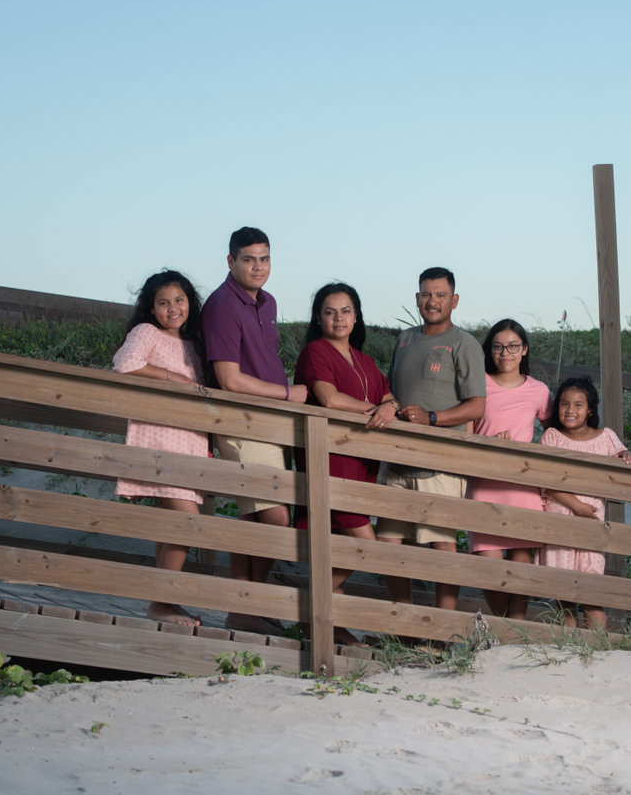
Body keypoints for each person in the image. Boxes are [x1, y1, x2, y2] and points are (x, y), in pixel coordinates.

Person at [201, 226, 308, 635]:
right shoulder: (222, 305)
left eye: (264, 258)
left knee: (254, 518)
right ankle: (249, 605)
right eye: (248, 259)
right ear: (231, 261)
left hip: (269, 423)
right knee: (276, 518)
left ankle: (244, 607)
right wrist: (286, 393)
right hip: (241, 423)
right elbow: (228, 378)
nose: (257, 266)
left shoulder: (268, 303)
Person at [374, 266, 486, 610]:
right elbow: (390, 388)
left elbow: (477, 406)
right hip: (396, 460)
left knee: (441, 546)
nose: (432, 301)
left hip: (440, 464)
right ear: (417, 297)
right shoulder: (405, 339)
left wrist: (432, 418)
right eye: (425, 294)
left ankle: (444, 629)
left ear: (454, 300)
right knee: (391, 543)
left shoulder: (464, 344)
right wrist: (389, 404)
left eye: (440, 295)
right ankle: (404, 624)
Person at [293, 282, 397, 646]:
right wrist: (376, 410)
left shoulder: (364, 359)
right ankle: (311, 613)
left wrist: (389, 406)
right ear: (318, 318)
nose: (339, 318)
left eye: (346, 310)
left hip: (361, 463)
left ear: (357, 316)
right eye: (330, 311)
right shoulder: (315, 352)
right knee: (365, 544)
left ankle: (324, 622)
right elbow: (329, 399)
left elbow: (388, 396)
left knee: (340, 546)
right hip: (331, 460)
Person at [112, 269, 209, 628]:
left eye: (179, 300)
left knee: (172, 526)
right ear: (151, 309)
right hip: (160, 440)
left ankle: (166, 603)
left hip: (190, 441)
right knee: (187, 524)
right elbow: (124, 364)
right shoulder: (146, 332)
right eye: (163, 303)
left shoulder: (193, 344)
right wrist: (174, 379)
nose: (172, 309)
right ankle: (161, 603)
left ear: (190, 303)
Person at [465, 319, 553, 621]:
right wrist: (488, 443)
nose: (506, 353)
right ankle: (510, 626)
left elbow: (557, 432)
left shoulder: (539, 391)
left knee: (521, 567)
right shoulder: (478, 385)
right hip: (484, 484)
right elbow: (466, 433)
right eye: (499, 346)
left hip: (523, 488)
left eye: (513, 346)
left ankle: (516, 629)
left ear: (524, 349)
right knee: (489, 569)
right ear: (490, 350)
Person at [538, 376, 631, 629]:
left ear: (590, 409)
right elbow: (546, 480)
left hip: (592, 523)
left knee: (591, 589)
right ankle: (569, 645)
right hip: (559, 519)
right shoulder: (552, 436)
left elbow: (620, 453)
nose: (570, 410)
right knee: (564, 591)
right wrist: (576, 505)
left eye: (578, 405)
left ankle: (596, 647)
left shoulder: (605, 437)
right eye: (564, 404)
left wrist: (625, 454)